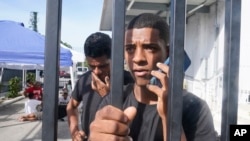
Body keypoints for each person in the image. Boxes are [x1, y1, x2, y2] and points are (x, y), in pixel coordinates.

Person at [88, 13, 216, 141]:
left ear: (168, 53)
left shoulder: (195, 108)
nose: (138, 58)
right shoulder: (114, 101)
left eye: (150, 48)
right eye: (130, 49)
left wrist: (170, 117)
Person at [66, 32, 134, 141]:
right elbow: (71, 106)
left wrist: (108, 95)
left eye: (103, 66)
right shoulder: (84, 80)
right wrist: (74, 131)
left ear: (114, 58)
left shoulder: (129, 80)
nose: (96, 72)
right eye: (92, 66)